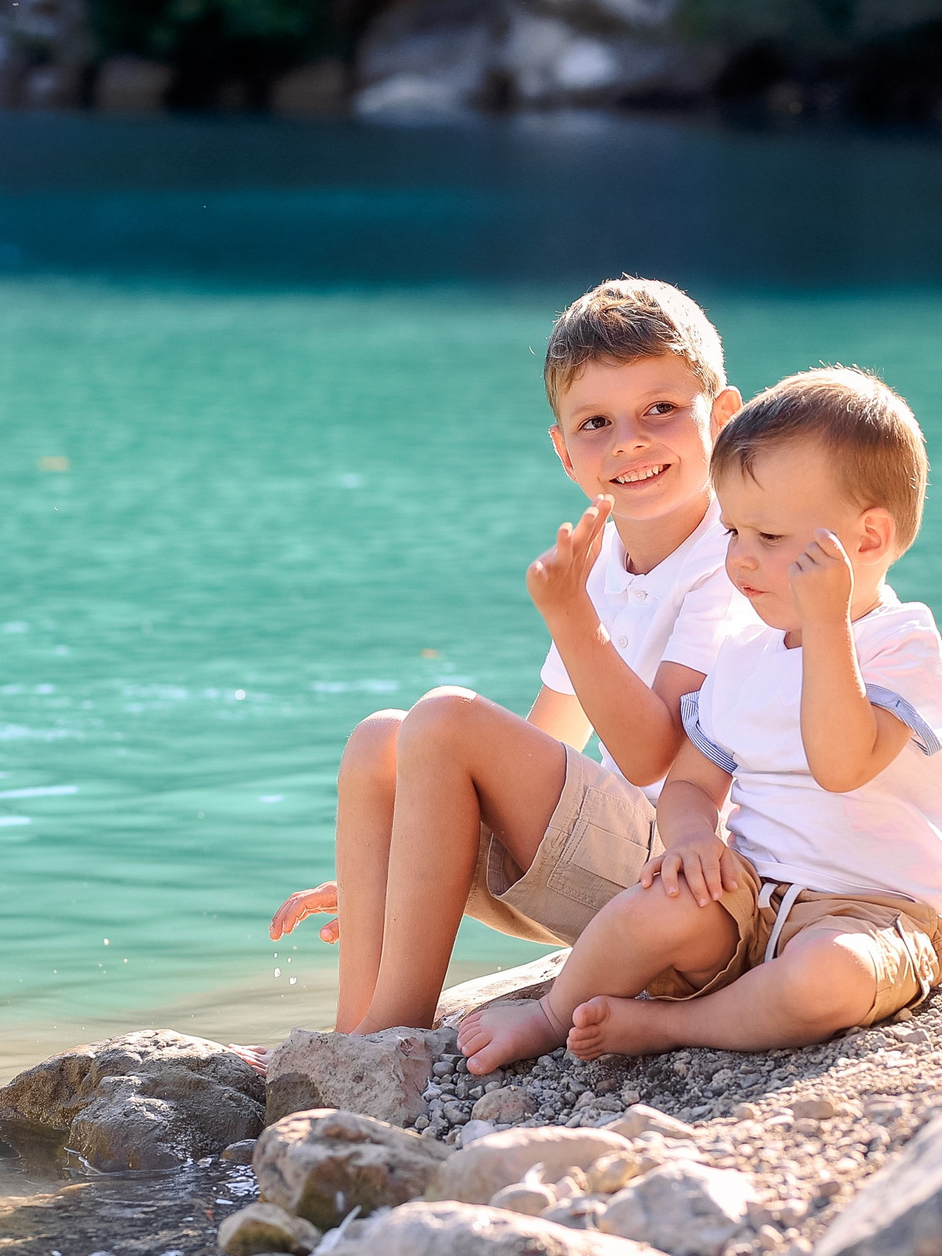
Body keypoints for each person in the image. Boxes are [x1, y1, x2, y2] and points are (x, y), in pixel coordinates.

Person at [270, 278, 753, 1034]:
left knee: (446, 717)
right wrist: (390, 868)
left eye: (661, 408)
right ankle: (354, 1032)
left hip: (692, 892)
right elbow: (550, 745)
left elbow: (655, 751)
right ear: (564, 453)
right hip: (613, 873)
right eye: (597, 421)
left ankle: (393, 1038)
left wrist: (570, 617)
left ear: (723, 418)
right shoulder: (602, 559)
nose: (629, 439)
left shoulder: (732, 558)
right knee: (381, 740)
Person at [455, 366, 942, 1073]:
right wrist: (691, 838)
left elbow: (841, 762)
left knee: (832, 977)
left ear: (868, 540)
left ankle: (675, 1025)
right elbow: (694, 782)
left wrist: (825, 628)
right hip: (753, 899)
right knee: (653, 904)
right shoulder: (744, 653)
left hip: (873, 911)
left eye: (771, 536)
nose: (741, 560)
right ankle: (548, 1013)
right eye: (731, 531)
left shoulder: (901, 643)